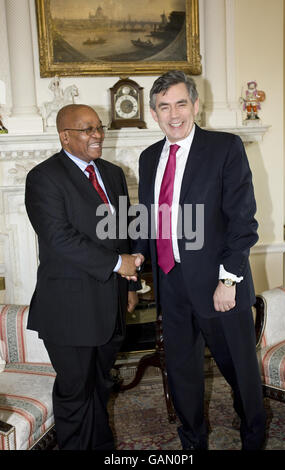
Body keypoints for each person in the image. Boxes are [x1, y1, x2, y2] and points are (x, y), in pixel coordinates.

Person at [134, 71, 266, 450]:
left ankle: (253, 440)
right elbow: (150, 216)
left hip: (219, 285)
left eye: (180, 104)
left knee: (239, 372)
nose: (173, 114)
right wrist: (138, 258)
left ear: (195, 105)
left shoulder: (225, 148)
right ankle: (192, 444)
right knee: (182, 374)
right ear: (153, 113)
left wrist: (229, 281)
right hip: (170, 284)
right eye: (163, 107)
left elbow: (243, 221)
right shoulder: (148, 158)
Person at [25, 104, 142, 450]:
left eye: (99, 128)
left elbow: (122, 231)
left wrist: (128, 286)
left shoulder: (114, 173)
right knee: (76, 392)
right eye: (87, 129)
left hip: (111, 304)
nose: (97, 135)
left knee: (101, 386)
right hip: (68, 309)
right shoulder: (43, 177)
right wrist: (116, 264)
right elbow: (59, 239)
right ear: (65, 136)